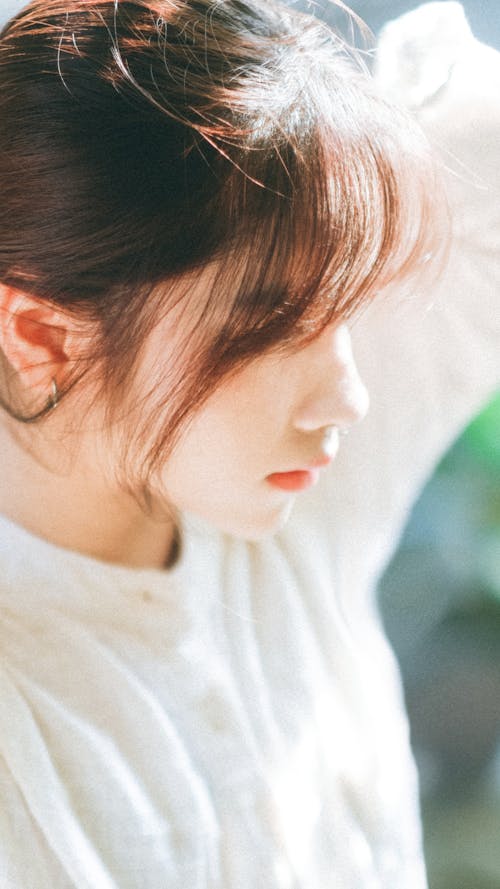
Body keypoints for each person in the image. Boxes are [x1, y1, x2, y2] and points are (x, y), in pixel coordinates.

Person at [0, 0, 498, 886]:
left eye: (347, 310)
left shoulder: (284, 488)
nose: (347, 394)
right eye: (272, 329)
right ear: (42, 338)